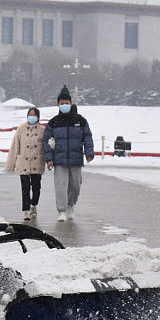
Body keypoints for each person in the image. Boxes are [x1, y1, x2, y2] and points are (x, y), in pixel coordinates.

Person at [43, 85, 95, 222]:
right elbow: (47, 141)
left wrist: (89, 152)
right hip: (59, 160)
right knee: (61, 186)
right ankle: (62, 211)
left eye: (66, 103)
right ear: (58, 105)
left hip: (76, 159)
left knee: (75, 186)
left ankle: (70, 204)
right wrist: (49, 159)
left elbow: (87, 136)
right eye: (62, 103)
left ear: (71, 104)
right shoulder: (53, 122)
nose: (64, 105)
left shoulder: (80, 120)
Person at [5, 107, 45, 221]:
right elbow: (15, 147)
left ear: (38, 117)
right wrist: (11, 164)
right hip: (24, 163)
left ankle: (34, 205)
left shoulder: (43, 130)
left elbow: (46, 147)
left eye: (34, 115)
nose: (32, 117)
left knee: (36, 188)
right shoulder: (21, 129)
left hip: (37, 163)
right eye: (30, 114)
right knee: (25, 188)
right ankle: (26, 210)